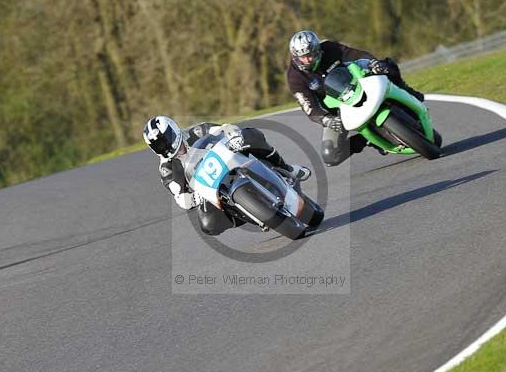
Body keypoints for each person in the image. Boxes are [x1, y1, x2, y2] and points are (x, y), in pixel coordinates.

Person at [143, 116, 311, 236]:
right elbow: (182, 200)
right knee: (208, 224)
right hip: (215, 191)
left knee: (252, 135)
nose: (166, 147)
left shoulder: (197, 131)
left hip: (233, 162)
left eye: (166, 140)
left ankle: (286, 168)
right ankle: (250, 213)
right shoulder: (167, 169)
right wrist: (197, 195)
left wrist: (232, 134)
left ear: (174, 129)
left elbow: (223, 129)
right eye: (159, 146)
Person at [286, 29, 425, 166]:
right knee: (331, 156)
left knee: (387, 65)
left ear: (317, 50)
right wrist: (326, 119)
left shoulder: (330, 47)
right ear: (295, 57)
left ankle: (407, 92)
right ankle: (365, 139)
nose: (307, 59)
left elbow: (356, 55)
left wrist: (373, 63)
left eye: (310, 54)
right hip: (337, 110)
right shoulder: (294, 78)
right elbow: (309, 107)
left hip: (358, 84)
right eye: (302, 57)